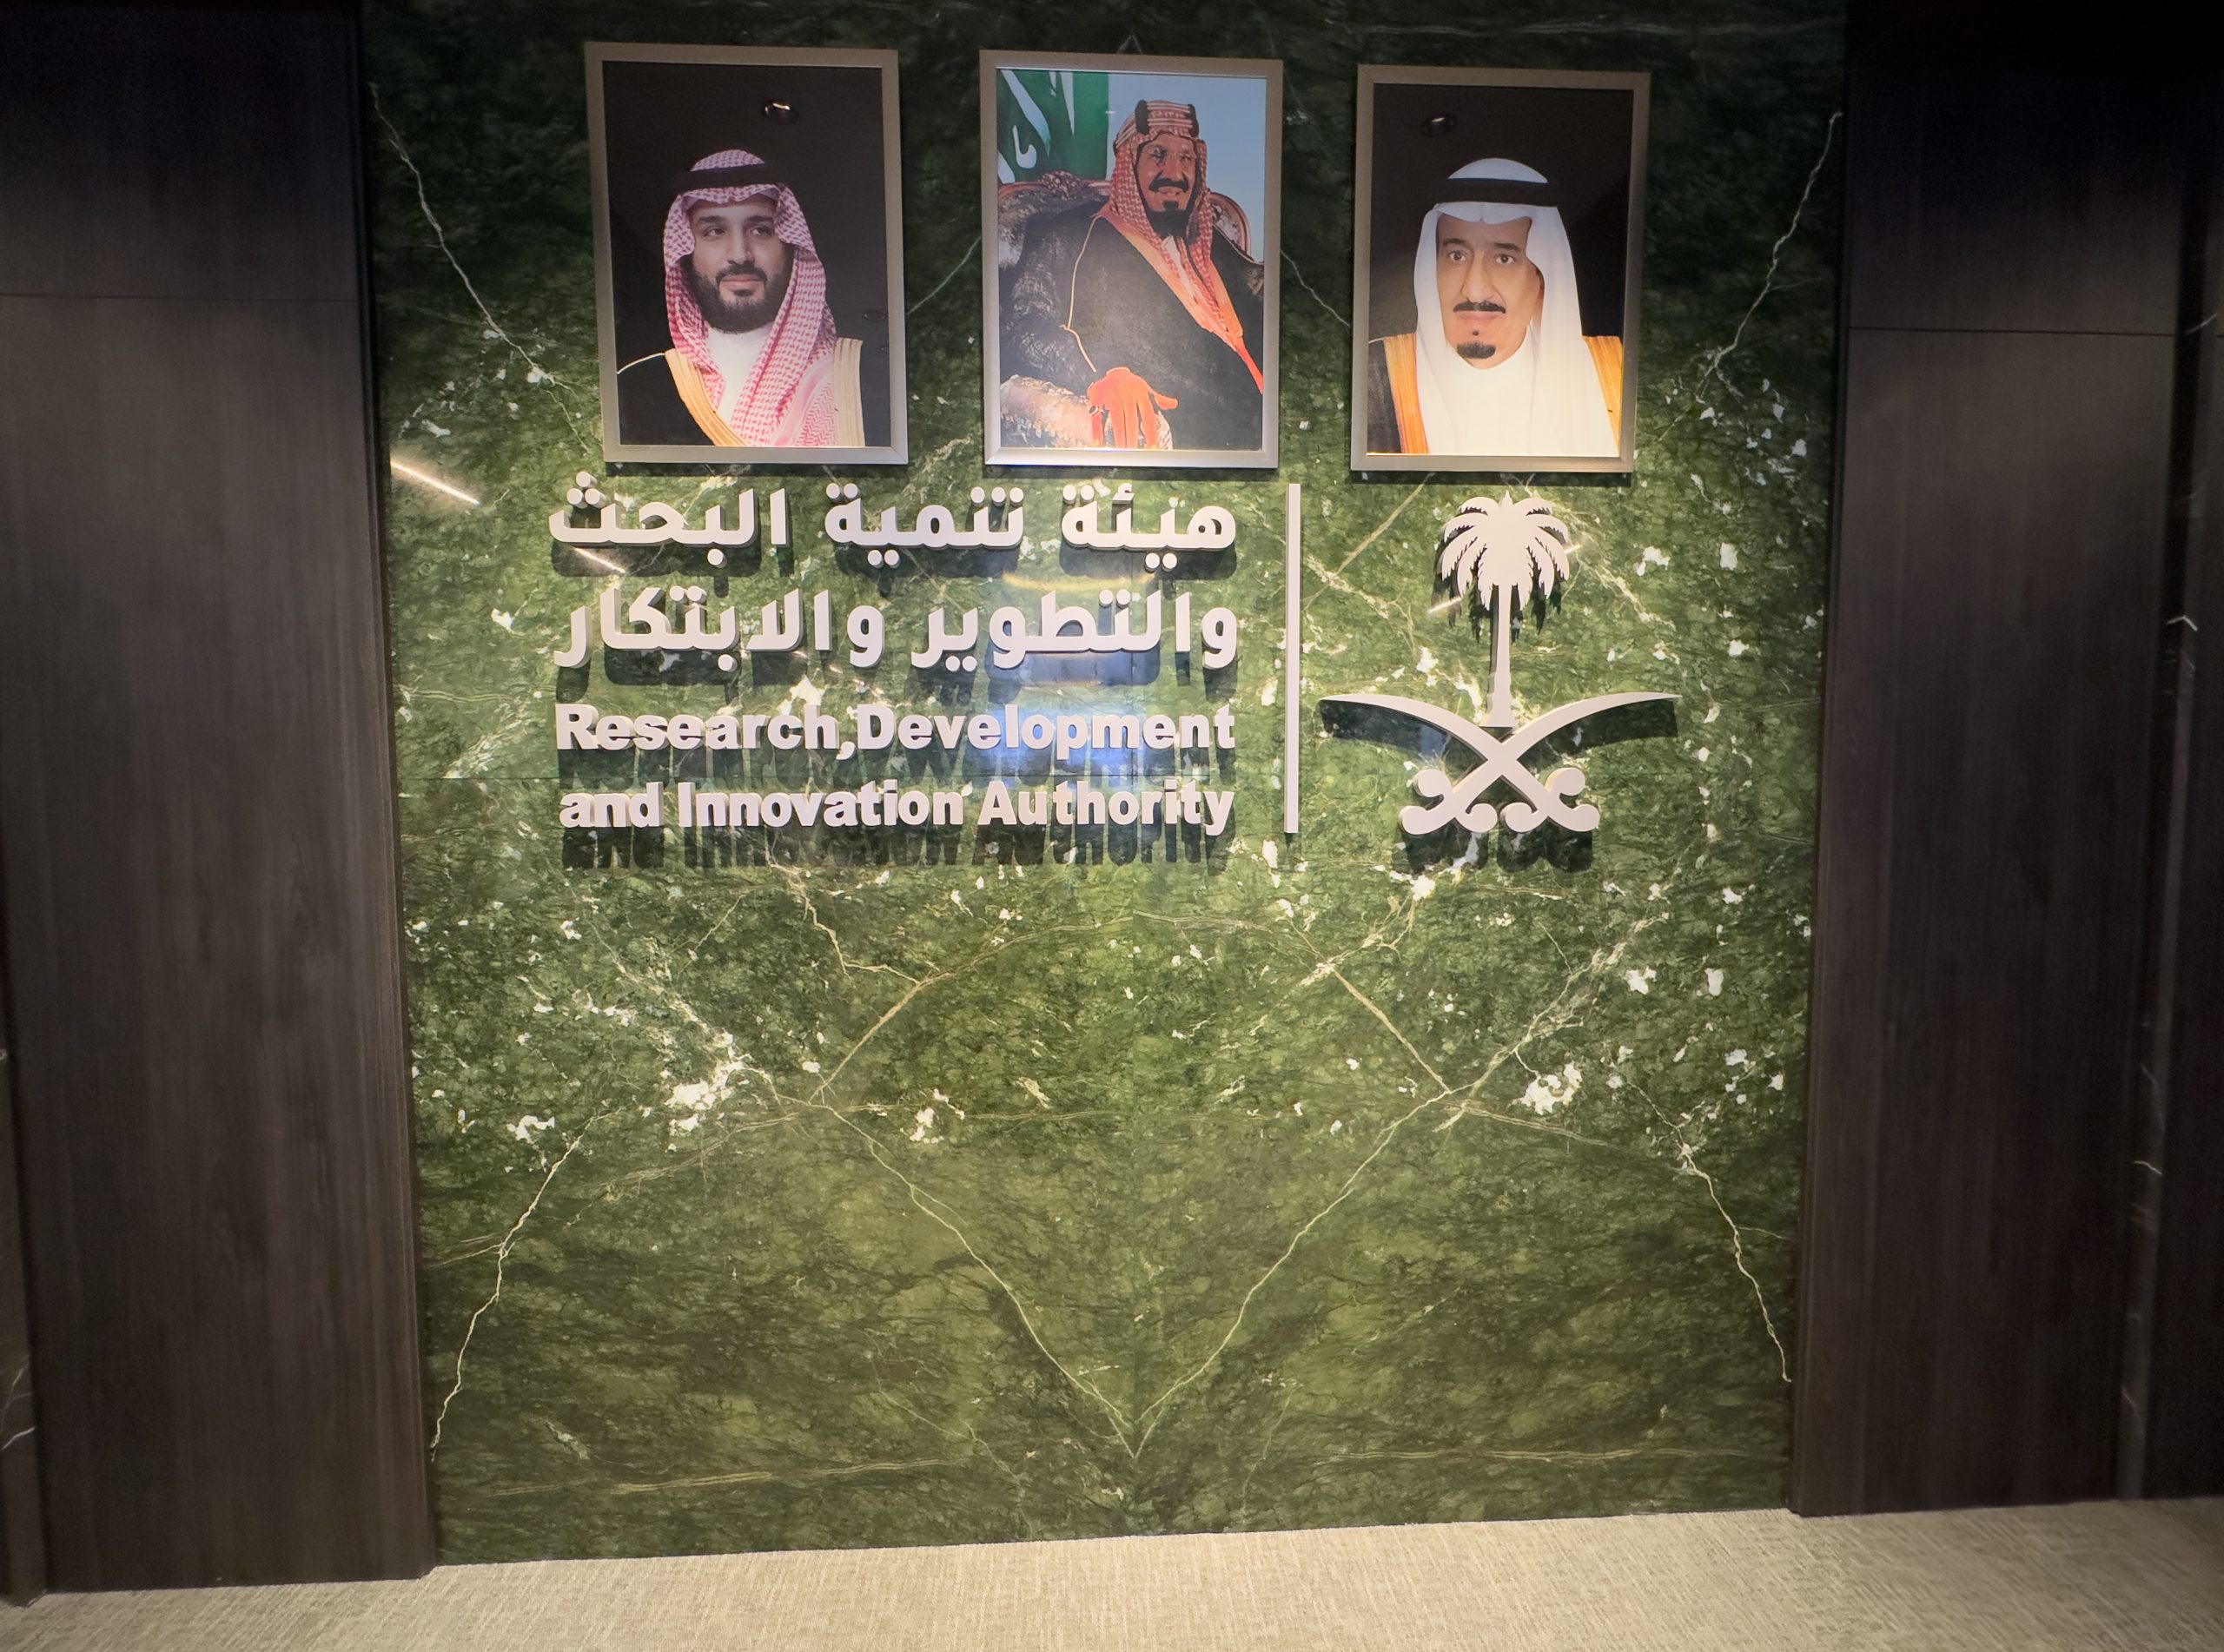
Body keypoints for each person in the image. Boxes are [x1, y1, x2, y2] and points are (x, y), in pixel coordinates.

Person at [1000, 101, 1265, 452]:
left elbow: (1260, 290)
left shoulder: (1207, 238)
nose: (1175, 173)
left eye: (1186, 158)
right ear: (1129, 165)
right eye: (1158, 155)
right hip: (1194, 427)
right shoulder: (1072, 234)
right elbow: (1023, 323)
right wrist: (1101, 376)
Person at [1366, 158, 1621, 460]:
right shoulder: (1374, 376)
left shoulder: (1613, 378)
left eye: (1504, 259)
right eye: (1457, 255)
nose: (1474, 290)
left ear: (1541, 277)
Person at [617, 149, 865, 448]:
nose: (739, 254)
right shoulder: (641, 384)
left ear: (790, 247)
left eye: (760, 230)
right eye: (714, 231)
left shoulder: (855, 377)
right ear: (685, 252)